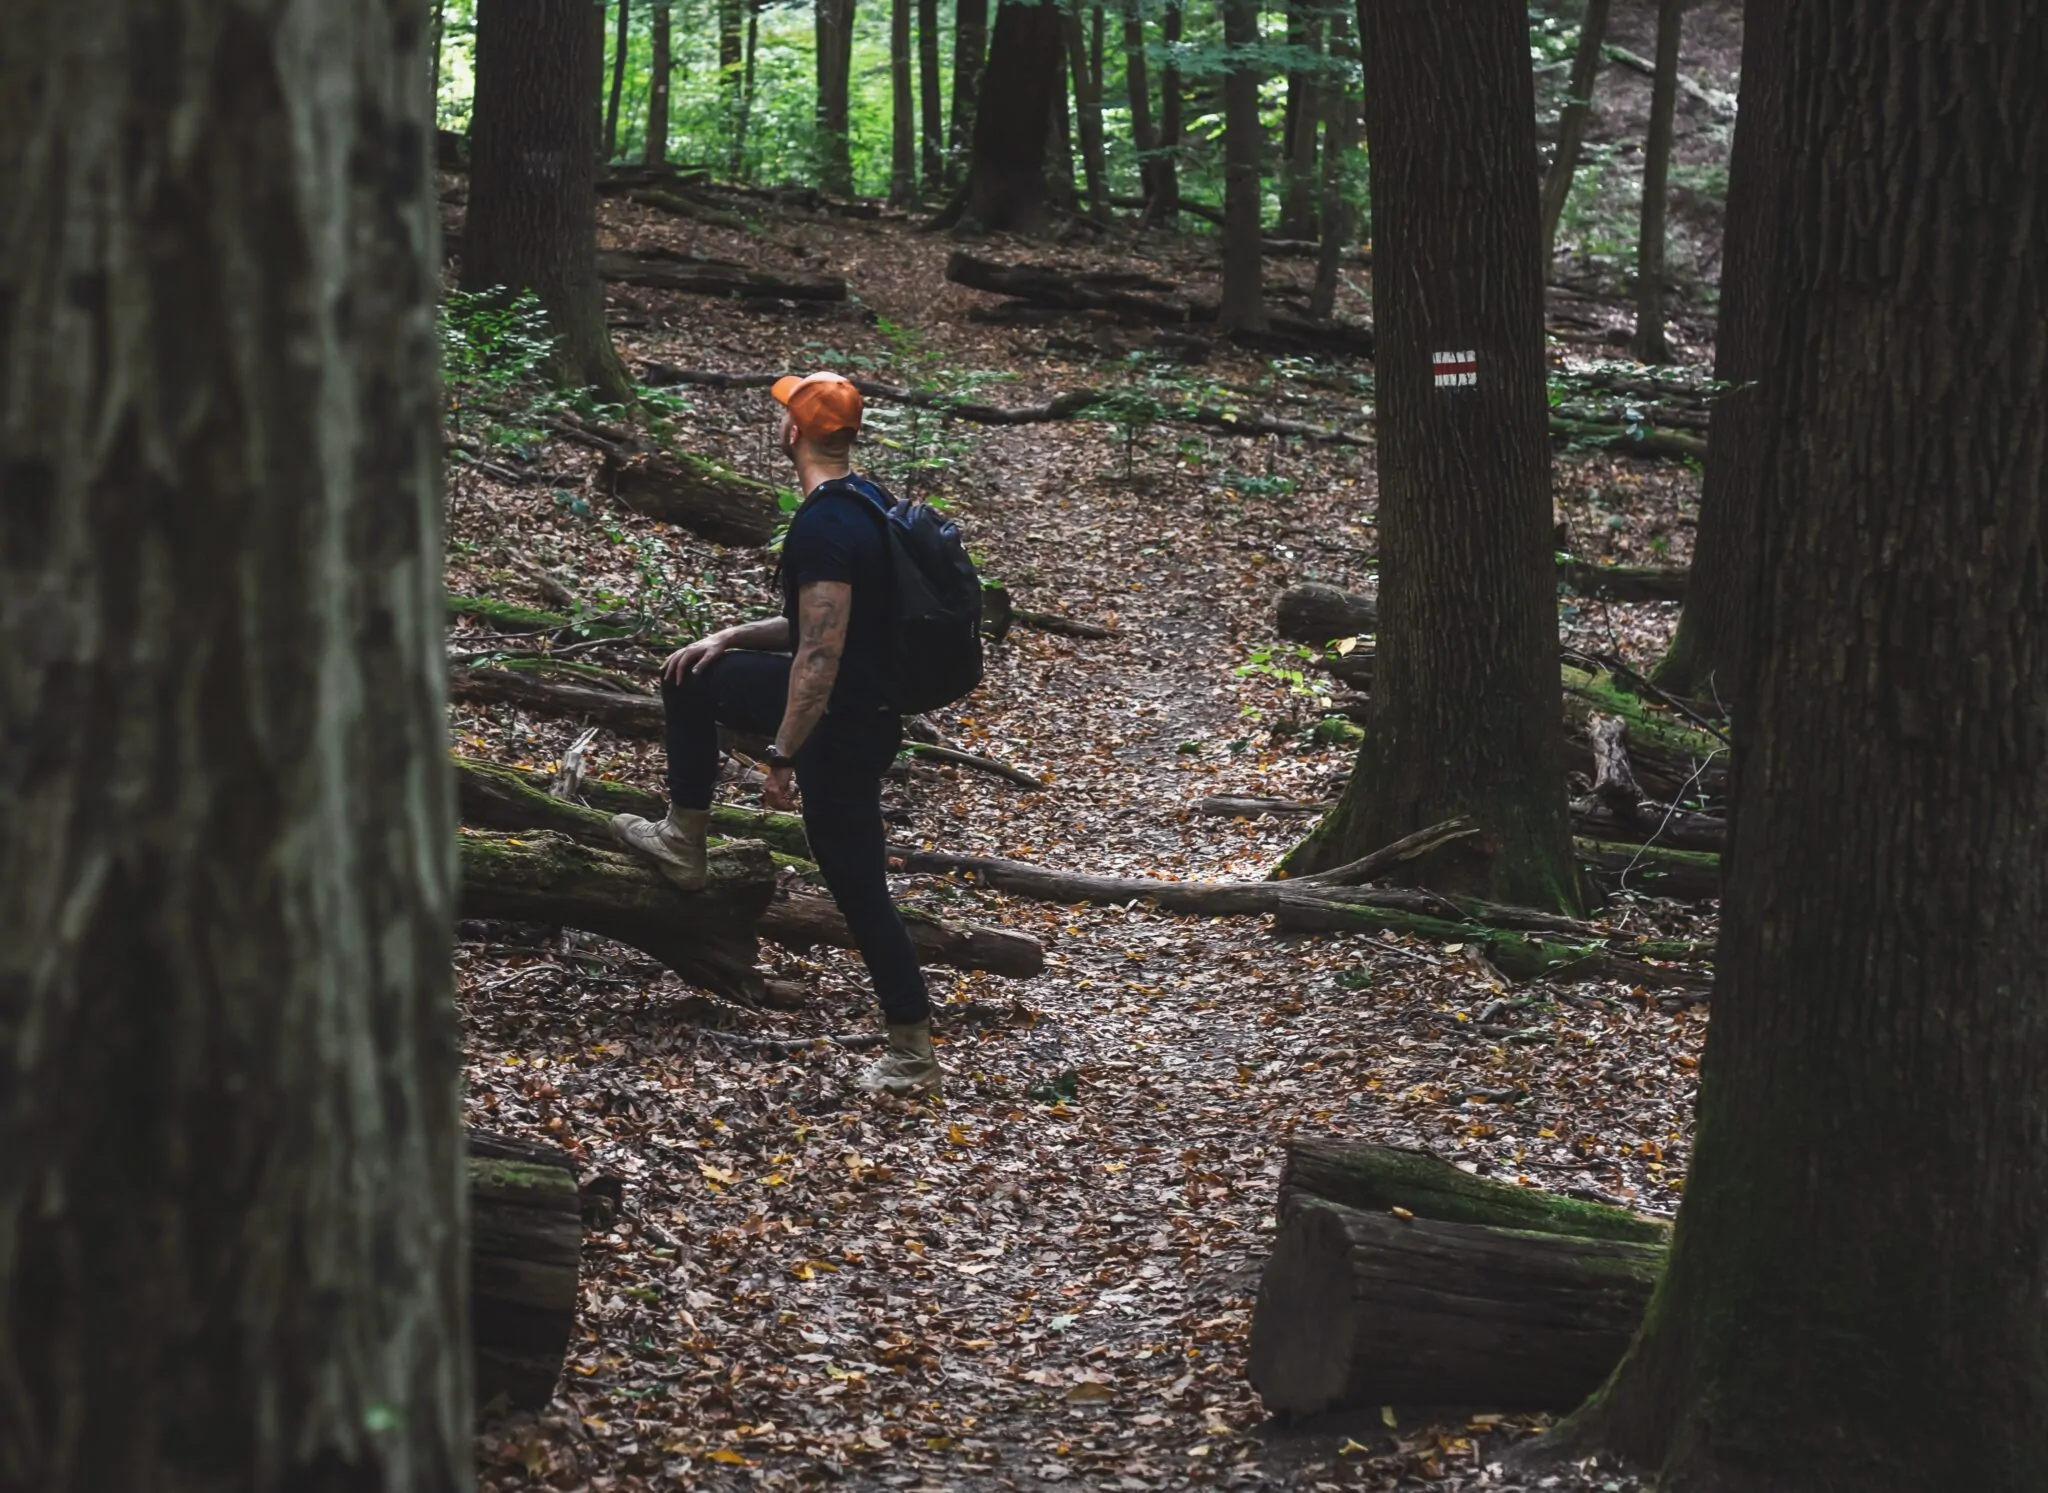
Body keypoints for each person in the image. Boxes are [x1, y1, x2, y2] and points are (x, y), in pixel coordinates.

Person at [610, 372, 941, 1098]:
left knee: (858, 887)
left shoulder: (825, 523)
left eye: (785, 414)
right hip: (867, 712)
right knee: (693, 673)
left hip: (839, 723)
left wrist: (781, 754)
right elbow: (821, 626)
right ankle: (682, 836)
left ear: (794, 432)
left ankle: (912, 1054)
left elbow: (819, 656)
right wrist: (729, 634)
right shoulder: (869, 501)